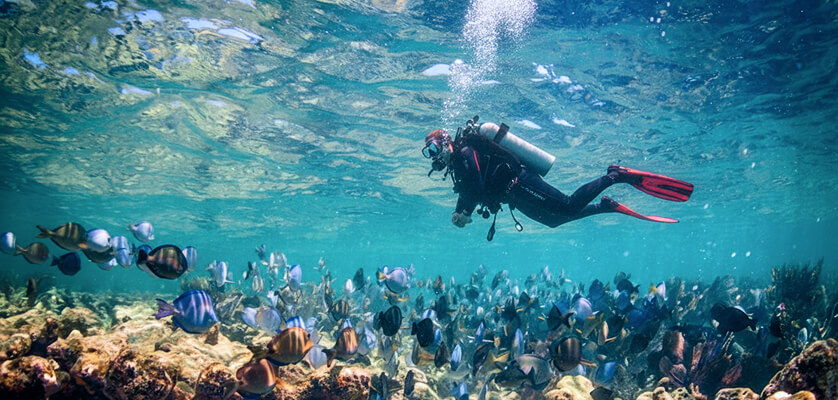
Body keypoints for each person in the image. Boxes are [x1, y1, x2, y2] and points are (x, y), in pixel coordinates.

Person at [422, 117, 694, 240]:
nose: (433, 156)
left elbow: (474, 187)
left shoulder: (466, 152)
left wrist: (463, 211)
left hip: (521, 183)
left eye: (434, 148)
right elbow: (471, 188)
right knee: (553, 221)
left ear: (446, 142)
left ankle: (615, 176)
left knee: (566, 205)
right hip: (514, 195)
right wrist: (461, 211)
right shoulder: (460, 162)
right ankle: (605, 206)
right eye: (428, 152)